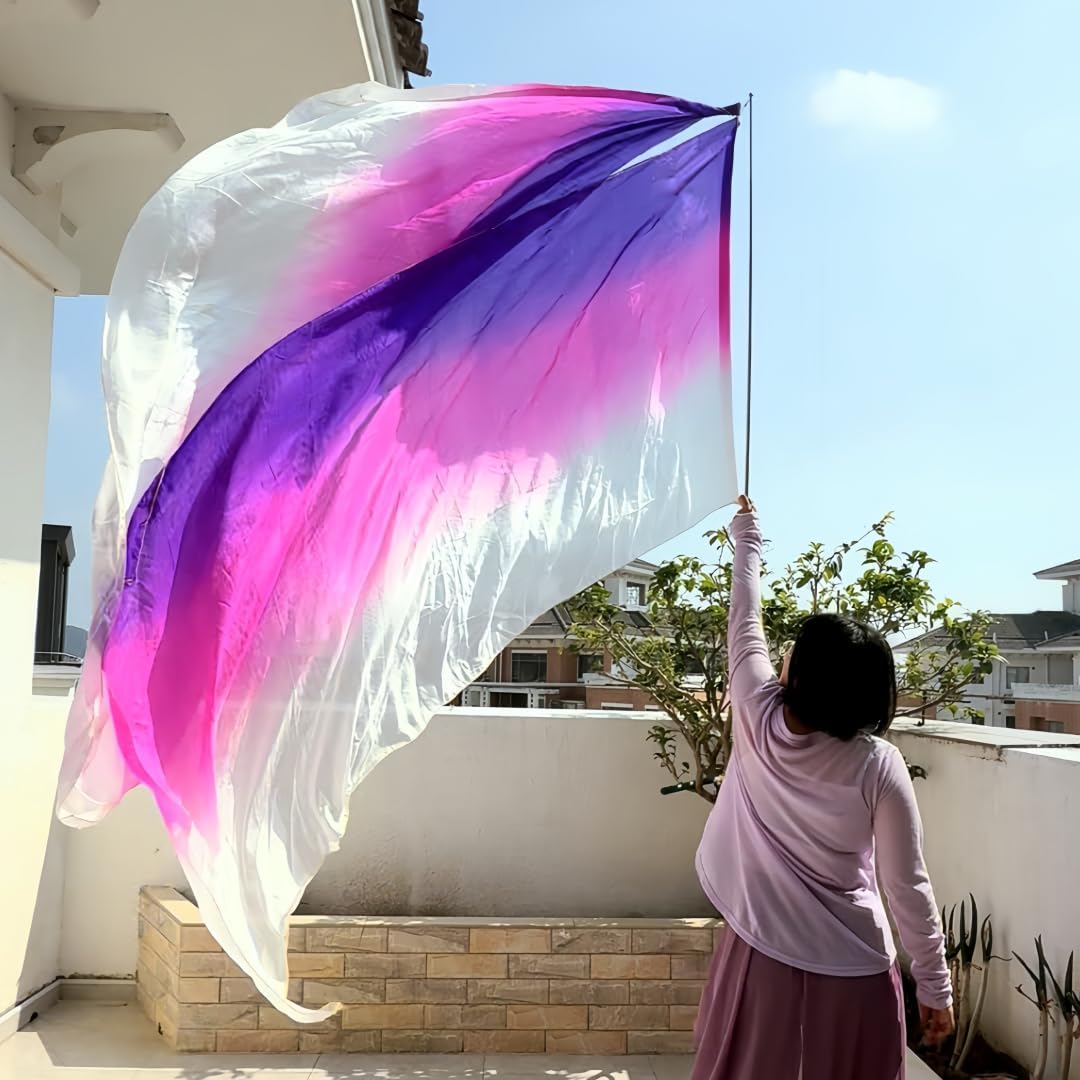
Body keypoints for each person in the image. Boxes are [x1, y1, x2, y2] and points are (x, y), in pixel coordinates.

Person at [691, 496, 954, 1080]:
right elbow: (906, 885)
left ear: (799, 674)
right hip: (855, 971)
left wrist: (748, 534)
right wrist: (934, 986)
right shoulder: (877, 765)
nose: (780, 654)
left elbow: (745, 616)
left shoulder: (756, 716)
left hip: (760, 957)